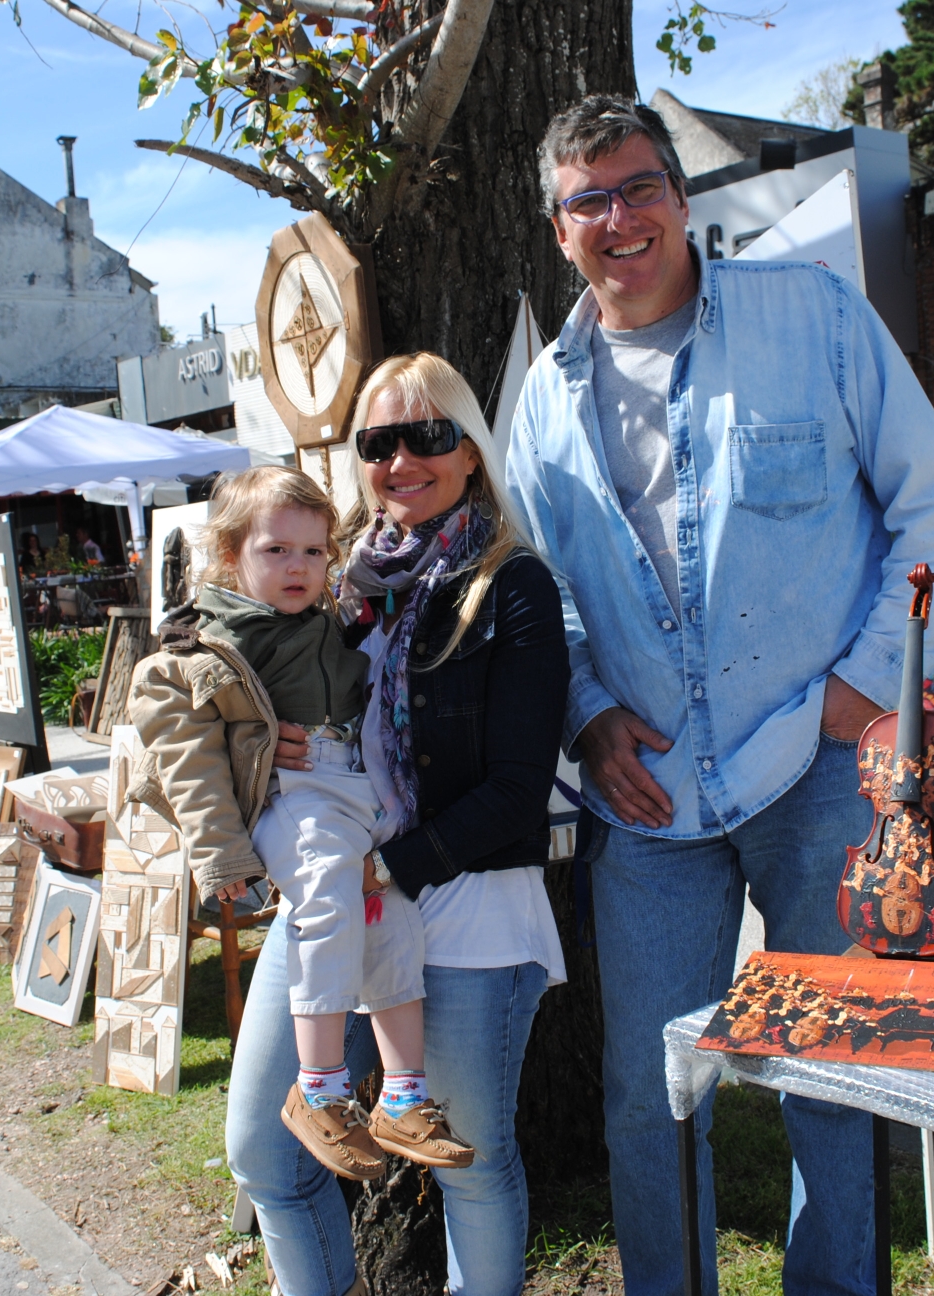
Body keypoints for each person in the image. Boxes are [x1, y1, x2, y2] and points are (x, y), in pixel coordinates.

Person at [504, 96, 934, 1296]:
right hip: (648, 798)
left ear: (681, 196)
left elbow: (929, 505)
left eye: (641, 186)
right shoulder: (543, 404)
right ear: (558, 230)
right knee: (647, 1097)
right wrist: (589, 710)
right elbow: (544, 593)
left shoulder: (809, 315)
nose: (621, 217)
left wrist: (865, 688)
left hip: (818, 768)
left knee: (833, 1071)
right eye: (589, 200)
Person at [222, 353, 570, 1296]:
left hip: (461, 898)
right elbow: (231, 706)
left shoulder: (512, 585)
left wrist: (391, 868)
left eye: (427, 435)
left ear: (468, 450)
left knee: (467, 1161)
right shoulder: (338, 591)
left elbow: (515, 786)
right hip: (336, 895)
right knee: (265, 1153)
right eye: (379, 442)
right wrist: (264, 754)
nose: (402, 458)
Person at [131, 466, 476, 1179]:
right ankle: (319, 1089)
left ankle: (404, 1095)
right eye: (276, 551)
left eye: (314, 552)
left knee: (389, 913)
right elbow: (186, 759)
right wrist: (222, 858)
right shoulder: (209, 644)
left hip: (353, 787)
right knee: (325, 895)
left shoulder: (326, 619)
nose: (298, 567)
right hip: (292, 793)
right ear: (231, 556)